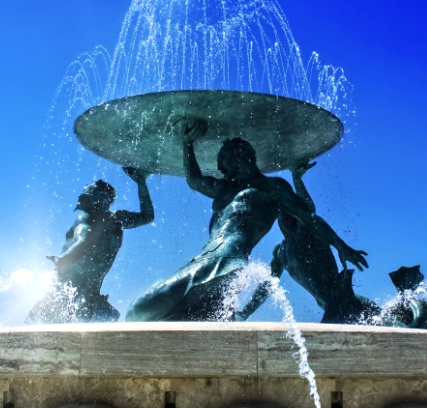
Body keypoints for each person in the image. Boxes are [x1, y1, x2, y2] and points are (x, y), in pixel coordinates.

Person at [125, 120, 367, 322]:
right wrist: (187, 143)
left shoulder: (272, 187)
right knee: (177, 317)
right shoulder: (224, 189)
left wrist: (341, 246)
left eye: (223, 159)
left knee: (139, 310)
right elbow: (195, 181)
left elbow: (309, 218)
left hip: (227, 261)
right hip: (204, 260)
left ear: (241, 155)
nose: (219, 167)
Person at [235, 161, 378, 323]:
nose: (286, 216)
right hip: (330, 306)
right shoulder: (280, 252)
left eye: (289, 211)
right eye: (281, 213)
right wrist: (245, 312)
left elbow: (309, 210)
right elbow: (268, 284)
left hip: (350, 303)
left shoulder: (307, 231)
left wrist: (297, 179)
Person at [28, 166, 153, 323]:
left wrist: (63, 259)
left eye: (87, 192)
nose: (82, 196)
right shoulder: (118, 220)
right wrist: (141, 183)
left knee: (35, 327)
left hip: (66, 291)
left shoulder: (87, 217)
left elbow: (84, 240)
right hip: (90, 294)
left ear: (98, 198)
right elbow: (148, 216)